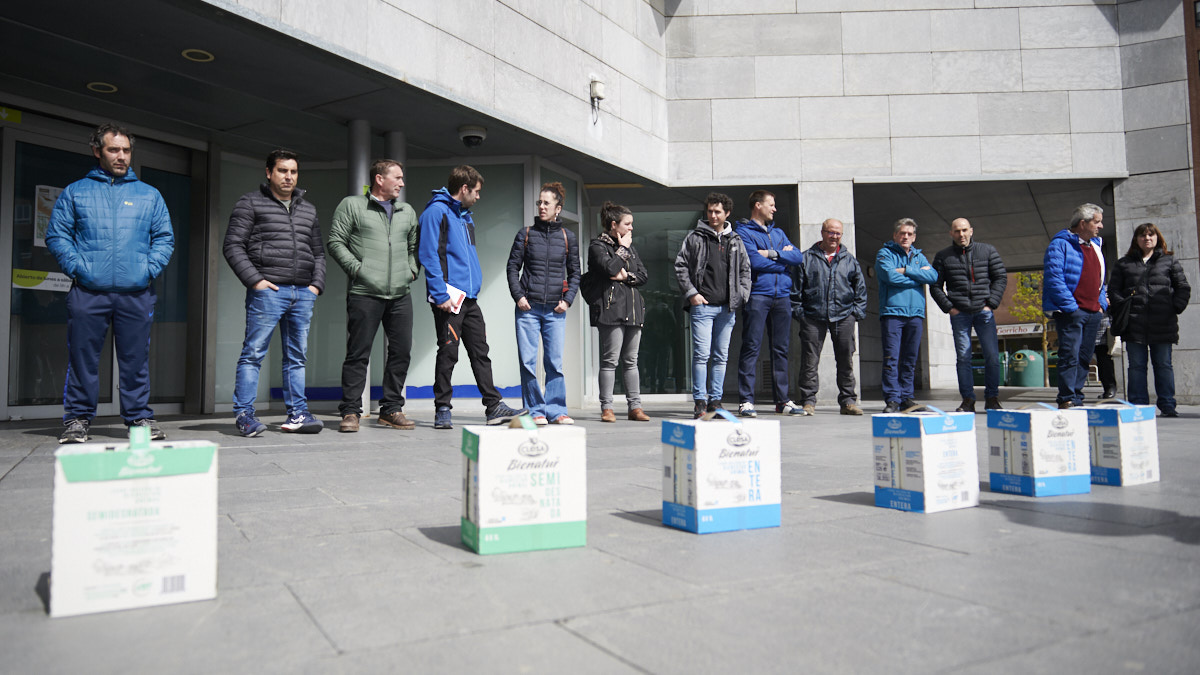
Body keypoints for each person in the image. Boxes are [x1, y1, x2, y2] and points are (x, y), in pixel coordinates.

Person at [46, 122, 175, 443]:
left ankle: (139, 419)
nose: (121, 156)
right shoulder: (76, 192)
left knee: (135, 360)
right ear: (97, 151)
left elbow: (164, 238)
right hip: (88, 291)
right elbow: (57, 236)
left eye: (126, 150)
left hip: (137, 292)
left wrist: (148, 270)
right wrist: (79, 269)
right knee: (83, 359)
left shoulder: (149, 195)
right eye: (113, 149)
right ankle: (77, 420)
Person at [224, 149, 326, 436]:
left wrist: (316, 285)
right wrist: (255, 281)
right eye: (282, 171)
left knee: (297, 357)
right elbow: (233, 245)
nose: (288, 177)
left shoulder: (308, 209)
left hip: (302, 293)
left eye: (293, 171)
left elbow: (318, 252)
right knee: (253, 353)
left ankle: (298, 414)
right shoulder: (250, 203)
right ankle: (244, 415)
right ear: (269, 173)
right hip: (269, 291)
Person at [418, 165, 526, 429]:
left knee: (481, 352)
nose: (478, 196)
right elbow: (428, 254)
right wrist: (440, 293)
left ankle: (494, 407)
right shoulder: (436, 212)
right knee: (448, 352)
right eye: (476, 191)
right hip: (448, 298)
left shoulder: (466, 217)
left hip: (470, 298)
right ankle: (442, 408)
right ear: (464, 188)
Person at [327, 159, 421, 433]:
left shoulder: (406, 211)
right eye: (397, 178)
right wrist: (358, 270)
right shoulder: (352, 205)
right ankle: (350, 412)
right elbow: (335, 241)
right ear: (379, 179)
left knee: (401, 352)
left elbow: (414, 247)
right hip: (364, 293)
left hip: (400, 294)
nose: (402, 183)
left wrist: (411, 271)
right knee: (358, 354)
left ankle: (391, 409)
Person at [506, 182, 581, 425]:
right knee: (528, 362)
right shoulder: (525, 234)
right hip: (528, 309)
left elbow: (575, 273)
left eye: (546, 203)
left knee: (554, 362)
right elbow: (512, 267)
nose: (541, 206)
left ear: (558, 208)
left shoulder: (568, 237)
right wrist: (519, 296)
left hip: (555, 311)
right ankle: (535, 411)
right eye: (540, 202)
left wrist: (567, 301)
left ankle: (557, 411)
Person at [674, 192, 752, 419]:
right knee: (701, 355)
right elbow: (680, 266)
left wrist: (741, 296)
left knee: (721, 356)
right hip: (702, 307)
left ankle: (715, 402)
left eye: (718, 211)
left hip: (727, 308)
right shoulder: (694, 237)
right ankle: (700, 402)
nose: (713, 215)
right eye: (710, 211)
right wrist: (692, 294)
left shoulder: (735, 240)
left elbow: (745, 270)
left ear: (727, 213)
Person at [1107, 223, 1191, 417]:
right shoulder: (1124, 263)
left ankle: (1167, 405)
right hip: (1134, 324)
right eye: (1142, 235)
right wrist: (1124, 306)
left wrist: (1175, 307)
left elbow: (1183, 287)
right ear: (1136, 239)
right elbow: (1113, 290)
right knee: (1136, 367)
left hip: (1163, 323)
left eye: (1150, 235)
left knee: (1163, 365)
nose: (1147, 238)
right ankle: (1138, 406)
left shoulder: (1169, 261)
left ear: (1157, 238)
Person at [734, 190, 806, 417]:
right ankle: (746, 401)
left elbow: (798, 257)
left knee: (781, 349)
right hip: (758, 295)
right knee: (751, 347)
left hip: (782, 296)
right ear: (758, 205)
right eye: (771, 204)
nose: (774, 209)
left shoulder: (779, 233)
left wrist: (770, 253)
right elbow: (753, 261)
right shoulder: (743, 232)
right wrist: (783, 261)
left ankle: (782, 401)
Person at [930, 218, 1008, 413]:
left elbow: (1000, 277)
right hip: (959, 314)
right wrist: (950, 308)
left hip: (984, 312)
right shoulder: (943, 256)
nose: (961, 234)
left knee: (992, 357)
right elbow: (935, 286)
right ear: (951, 233)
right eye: (957, 231)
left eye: (964, 230)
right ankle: (967, 400)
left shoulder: (987, 251)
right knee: (963, 358)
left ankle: (992, 398)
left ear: (971, 231)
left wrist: (991, 304)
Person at [792, 218, 867, 416]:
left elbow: (860, 290)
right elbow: (795, 291)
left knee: (846, 361)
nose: (834, 237)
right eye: (830, 232)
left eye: (838, 233)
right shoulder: (805, 258)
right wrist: (800, 314)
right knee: (809, 361)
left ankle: (848, 401)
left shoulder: (849, 260)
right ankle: (808, 401)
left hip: (844, 316)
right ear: (822, 233)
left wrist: (855, 314)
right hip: (812, 317)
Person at [584, 201, 650, 423]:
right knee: (610, 360)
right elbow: (610, 268)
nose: (631, 228)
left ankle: (635, 407)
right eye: (627, 224)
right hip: (610, 310)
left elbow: (643, 275)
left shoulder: (631, 247)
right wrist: (622, 251)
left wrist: (626, 276)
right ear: (614, 225)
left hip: (633, 310)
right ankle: (607, 408)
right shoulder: (597, 246)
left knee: (631, 360)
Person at [1042, 203, 1107, 409]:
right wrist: (1071, 307)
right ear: (1083, 223)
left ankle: (1077, 397)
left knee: (1084, 357)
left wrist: (1101, 304)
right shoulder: (1060, 245)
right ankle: (1066, 398)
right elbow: (1054, 278)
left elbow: (1100, 279)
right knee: (1069, 355)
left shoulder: (1095, 246)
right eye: (1096, 222)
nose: (1100, 226)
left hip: (1093, 312)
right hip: (1072, 312)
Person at [876, 218, 938, 413]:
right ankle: (892, 399)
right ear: (895, 235)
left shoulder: (919, 257)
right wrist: (917, 277)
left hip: (915, 314)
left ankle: (906, 398)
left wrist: (906, 270)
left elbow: (933, 276)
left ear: (914, 237)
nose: (905, 237)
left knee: (910, 359)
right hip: (892, 313)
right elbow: (889, 276)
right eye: (902, 233)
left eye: (909, 234)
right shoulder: (885, 254)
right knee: (891, 359)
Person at [1093, 315, 1117, 400]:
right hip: (1088, 322)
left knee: (1104, 359)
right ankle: (1076, 392)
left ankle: (1110, 387)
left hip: (1104, 326)